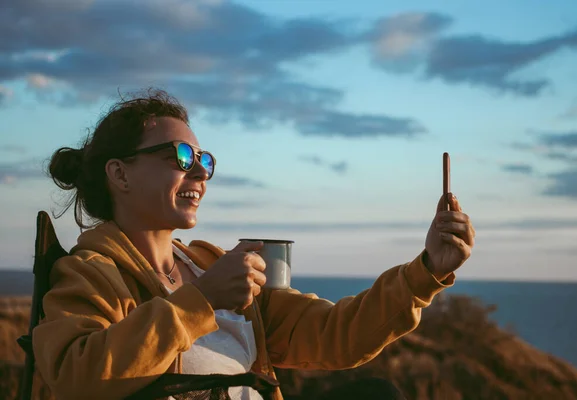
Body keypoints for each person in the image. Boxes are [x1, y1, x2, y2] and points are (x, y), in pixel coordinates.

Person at [32, 89, 475, 400]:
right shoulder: (90, 272)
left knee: (377, 394)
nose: (200, 174)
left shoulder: (209, 264)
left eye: (204, 160)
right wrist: (200, 301)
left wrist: (426, 272)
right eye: (180, 157)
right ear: (120, 174)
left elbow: (336, 335)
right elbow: (76, 376)